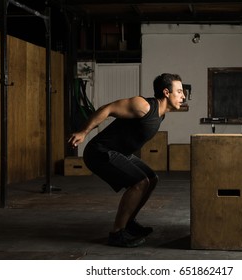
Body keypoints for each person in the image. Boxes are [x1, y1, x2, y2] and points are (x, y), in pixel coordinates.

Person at [68, 73, 185, 247]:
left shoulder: (161, 115)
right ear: (167, 92)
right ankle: (117, 233)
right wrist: (84, 131)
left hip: (120, 153)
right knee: (140, 182)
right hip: (100, 151)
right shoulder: (143, 106)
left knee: (152, 179)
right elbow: (107, 108)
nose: (183, 96)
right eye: (180, 91)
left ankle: (129, 223)